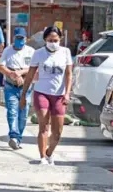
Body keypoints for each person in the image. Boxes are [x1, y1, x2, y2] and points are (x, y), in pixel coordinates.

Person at [20, 26, 73, 165]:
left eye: (56, 40)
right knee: (44, 126)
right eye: (50, 40)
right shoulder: (38, 53)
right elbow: (30, 74)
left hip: (59, 95)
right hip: (41, 92)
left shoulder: (65, 52)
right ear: (45, 40)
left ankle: (49, 153)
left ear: (60, 39)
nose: (53, 43)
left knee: (58, 132)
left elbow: (68, 75)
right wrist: (24, 94)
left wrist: (67, 93)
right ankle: (42, 157)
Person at [0, 27, 34, 150]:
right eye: (17, 38)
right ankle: (13, 136)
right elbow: (0, 66)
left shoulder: (30, 51)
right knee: (12, 111)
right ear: (14, 38)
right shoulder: (7, 50)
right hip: (10, 86)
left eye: (22, 38)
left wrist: (20, 72)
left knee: (23, 115)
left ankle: (18, 139)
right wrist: (11, 74)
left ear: (26, 39)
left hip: (26, 87)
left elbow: (34, 68)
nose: (19, 40)